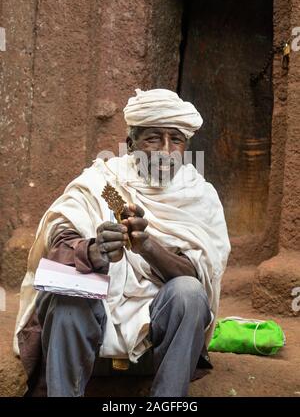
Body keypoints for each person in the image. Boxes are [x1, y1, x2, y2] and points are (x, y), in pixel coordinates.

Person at [13, 89, 231, 397]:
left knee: (189, 293)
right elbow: (56, 249)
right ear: (130, 145)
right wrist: (94, 251)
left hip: (155, 349)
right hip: (90, 337)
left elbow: (198, 276)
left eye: (177, 140)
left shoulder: (200, 196)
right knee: (68, 295)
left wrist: (148, 246)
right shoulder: (101, 182)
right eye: (153, 139)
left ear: (187, 146)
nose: (166, 151)